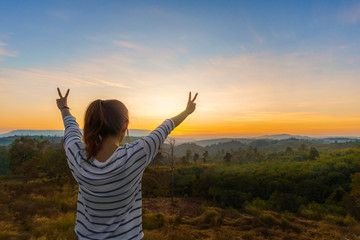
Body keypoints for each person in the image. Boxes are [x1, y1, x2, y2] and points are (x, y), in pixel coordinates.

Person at [56, 88, 198, 240]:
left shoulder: (77, 157)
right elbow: (166, 126)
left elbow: (71, 129)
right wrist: (187, 111)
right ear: (125, 125)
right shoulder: (134, 156)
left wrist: (64, 107)